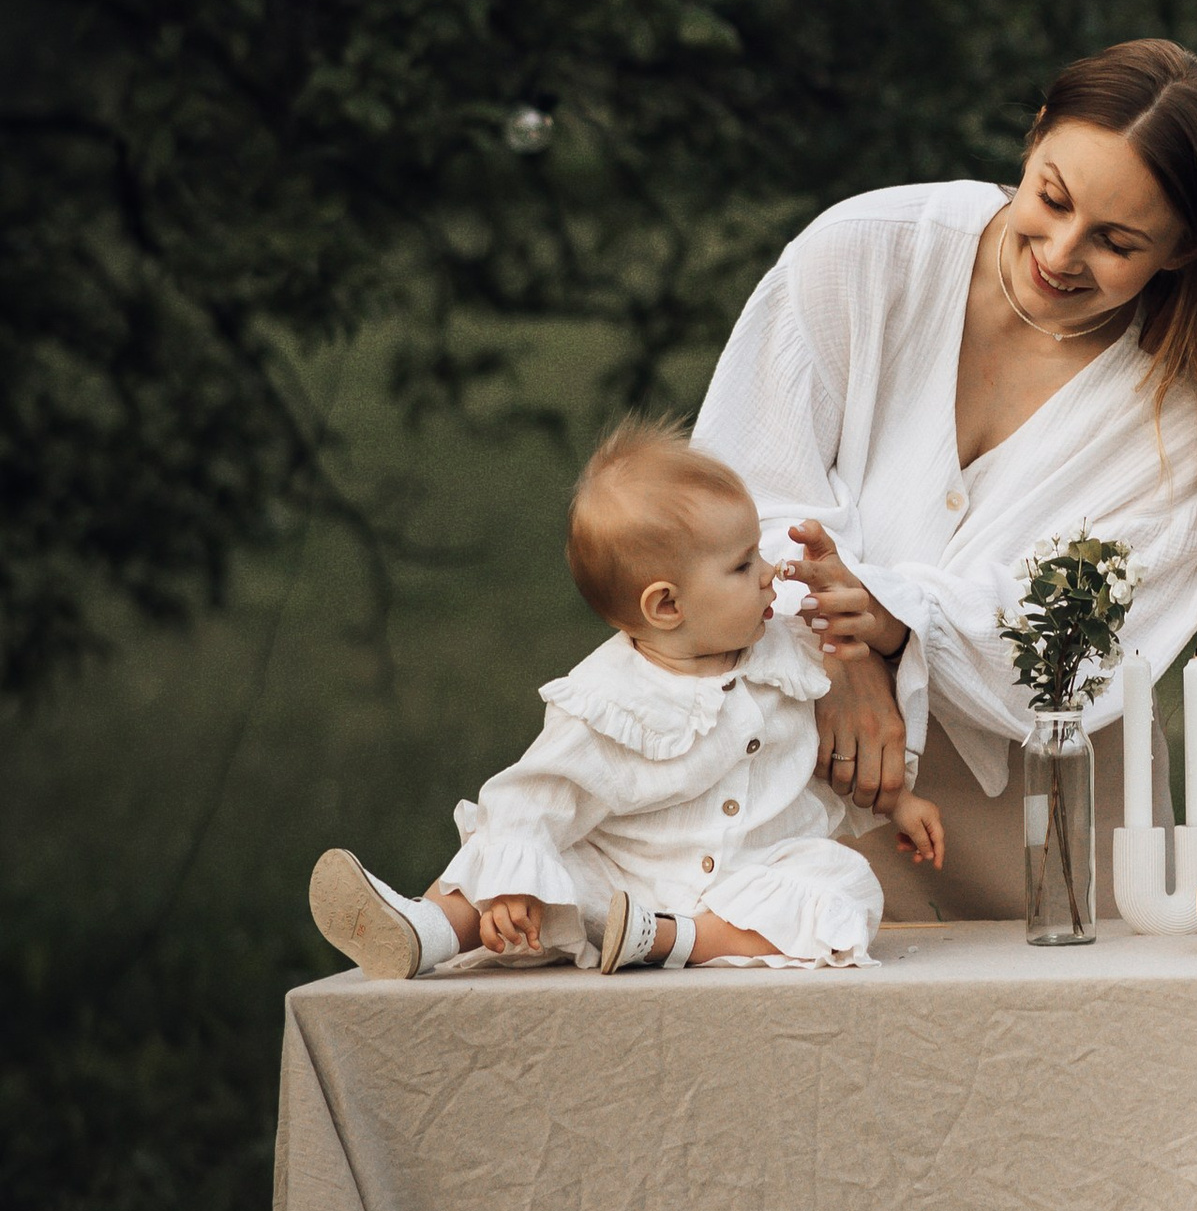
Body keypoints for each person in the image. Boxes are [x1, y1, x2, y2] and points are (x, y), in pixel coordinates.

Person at [692, 40, 1197, 920]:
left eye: (1117, 242)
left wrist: (899, 621)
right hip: (802, 775)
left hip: (1045, 833)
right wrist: (841, 656)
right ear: (1033, 137)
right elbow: (737, 494)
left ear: (1182, 251)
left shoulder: (1189, 422)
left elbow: (1076, 638)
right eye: (1052, 198)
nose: (1061, 252)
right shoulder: (863, 253)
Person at [307, 420, 939, 979]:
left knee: (842, 884)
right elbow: (536, 796)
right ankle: (425, 930)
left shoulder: (789, 655)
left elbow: (826, 755)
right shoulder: (605, 699)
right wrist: (510, 885)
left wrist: (897, 802)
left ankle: (675, 940)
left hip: (751, 880)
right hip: (618, 879)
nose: (770, 572)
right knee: (507, 854)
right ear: (666, 605)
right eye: (745, 564)